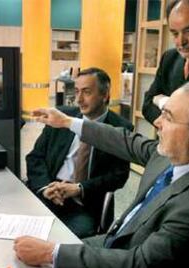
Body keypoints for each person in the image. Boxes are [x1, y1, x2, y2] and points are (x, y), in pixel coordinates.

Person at [14, 81, 189, 268]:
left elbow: (141, 265)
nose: (157, 122)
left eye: (168, 117)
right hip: (111, 246)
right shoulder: (169, 156)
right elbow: (124, 140)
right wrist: (68, 122)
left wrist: (51, 253)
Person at [26, 68, 133, 238]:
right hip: (50, 190)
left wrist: (79, 188)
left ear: (105, 95)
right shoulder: (61, 117)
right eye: (76, 92)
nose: (79, 99)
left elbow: (118, 176)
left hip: (82, 202)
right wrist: (46, 187)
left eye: (86, 92)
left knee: (69, 240)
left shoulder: (120, 128)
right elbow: (35, 157)